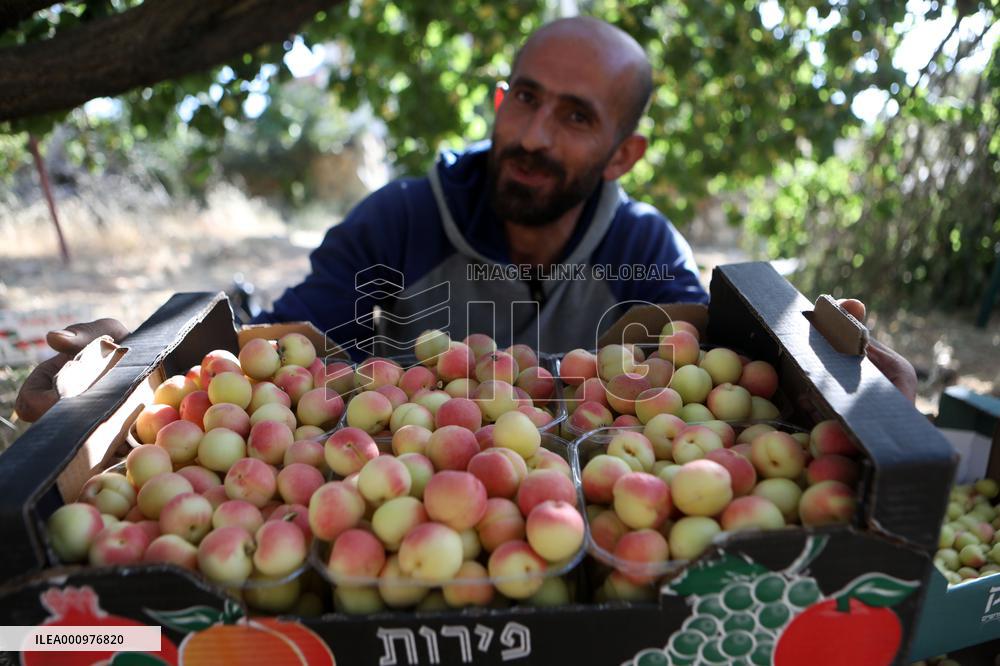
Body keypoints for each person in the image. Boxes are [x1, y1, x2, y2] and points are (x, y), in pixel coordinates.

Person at [13, 17, 917, 422]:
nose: (529, 135)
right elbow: (275, 341)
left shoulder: (641, 245)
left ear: (623, 155)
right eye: (523, 98)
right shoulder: (403, 218)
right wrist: (143, 367)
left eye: (573, 117)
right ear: (495, 99)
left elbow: (710, 360)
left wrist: (828, 381)